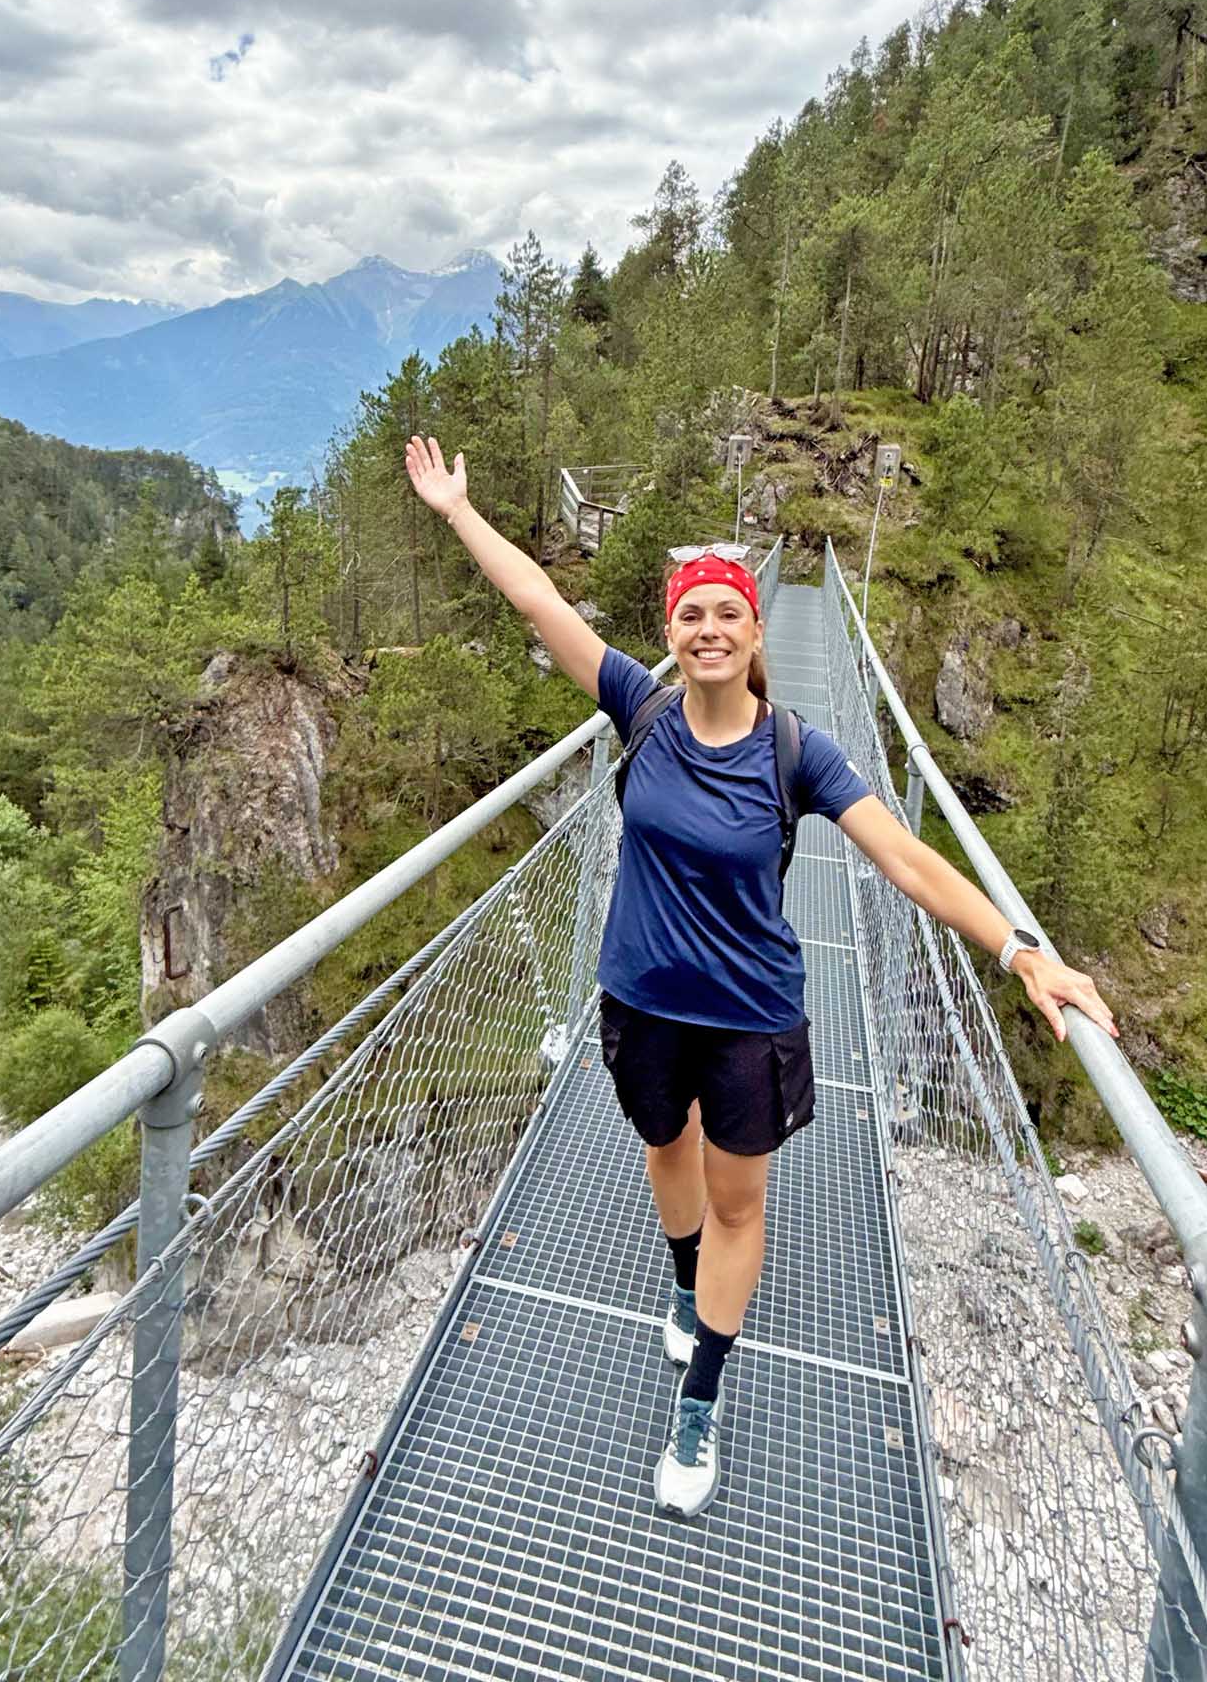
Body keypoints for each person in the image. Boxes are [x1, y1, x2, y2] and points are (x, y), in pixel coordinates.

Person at [404, 435, 1118, 1518]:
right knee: (665, 1152)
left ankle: (701, 1396)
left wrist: (1020, 952)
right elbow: (537, 600)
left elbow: (908, 860)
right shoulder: (637, 709)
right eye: (689, 614)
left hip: (749, 1018)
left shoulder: (799, 751)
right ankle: (685, 1285)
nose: (706, 629)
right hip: (640, 1001)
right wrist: (458, 512)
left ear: (752, 632)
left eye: (725, 613)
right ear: (670, 634)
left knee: (742, 1202)